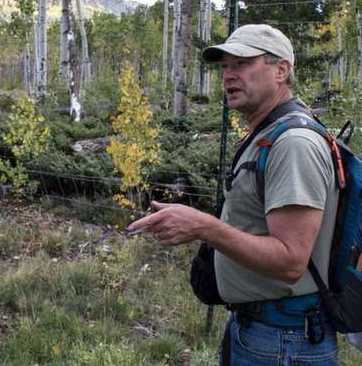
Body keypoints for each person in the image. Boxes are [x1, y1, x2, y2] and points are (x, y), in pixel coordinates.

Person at [128, 24, 340, 365]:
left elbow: (290, 261)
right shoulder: (268, 133)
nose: (228, 75)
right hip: (262, 330)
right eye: (225, 66)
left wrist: (204, 227)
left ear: (282, 70)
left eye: (241, 64)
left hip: (283, 340)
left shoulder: (293, 143)